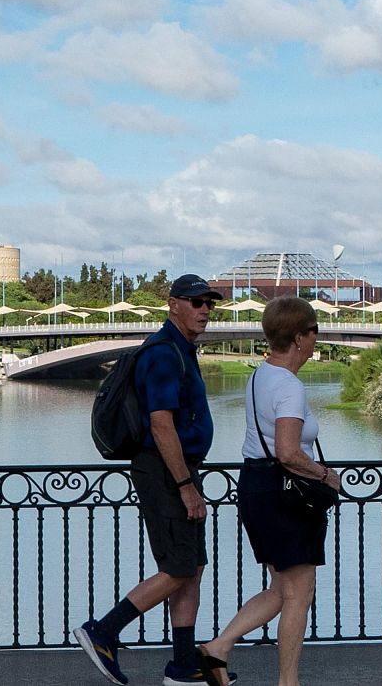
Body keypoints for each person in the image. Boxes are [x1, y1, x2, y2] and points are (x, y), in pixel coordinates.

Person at [74, 274, 225, 686]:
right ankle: (103, 631)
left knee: (191, 567)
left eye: (209, 304)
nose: (205, 310)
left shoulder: (180, 349)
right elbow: (161, 426)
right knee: (177, 567)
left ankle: (182, 665)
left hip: (177, 469)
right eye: (196, 303)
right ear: (173, 304)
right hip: (164, 472)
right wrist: (185, 486)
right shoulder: (162, 354)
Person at [198, 296, 338, 686]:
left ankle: (217, 648)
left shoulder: (260, 376)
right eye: (314, 332)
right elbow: (289, 452)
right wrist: (325, 475)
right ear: (299, 338)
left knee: (281, 588)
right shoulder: (289, 387)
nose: (315, 340)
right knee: (299, 594)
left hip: (257, 486)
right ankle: (288, 682)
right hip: (285, 494)